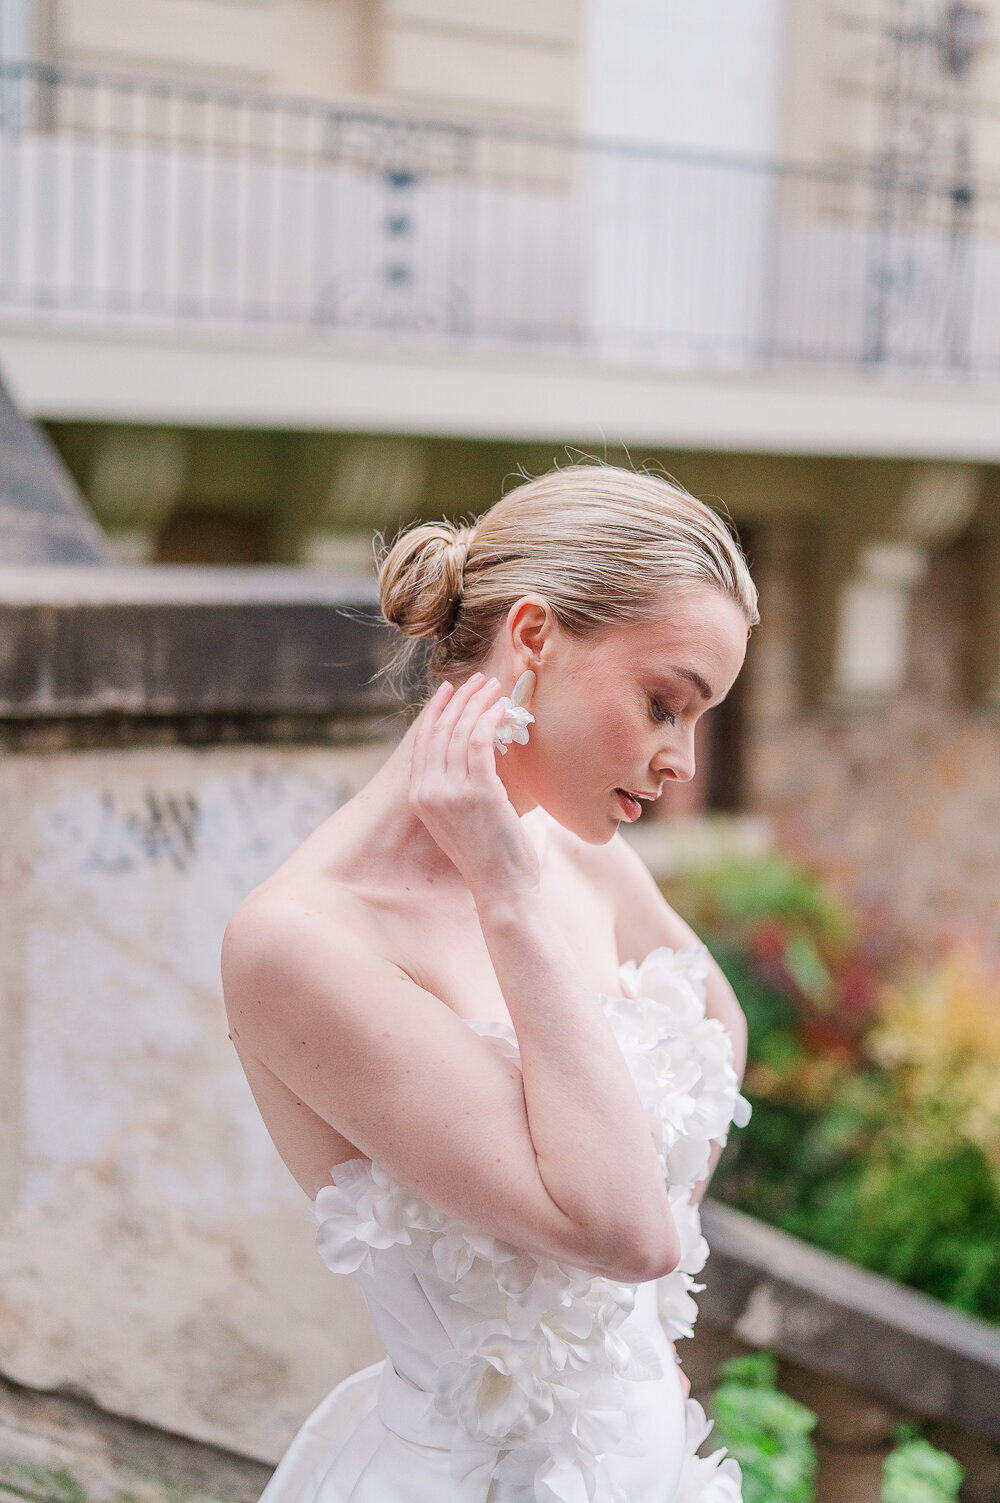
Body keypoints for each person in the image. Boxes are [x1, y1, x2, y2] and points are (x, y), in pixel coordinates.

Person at [222, 463, 758, 1503]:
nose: (681, 759)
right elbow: (630, 1236)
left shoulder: (584, 844)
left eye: (697, 720)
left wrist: (627, 1353)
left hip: (652, 1465)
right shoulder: (300, 945)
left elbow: (718, 1024)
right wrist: (507, 894)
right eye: (662, 703)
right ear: (531, 640)